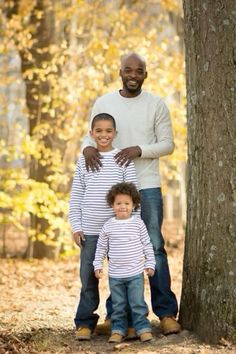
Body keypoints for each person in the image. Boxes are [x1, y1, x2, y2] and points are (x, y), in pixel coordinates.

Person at [81, 52, 181, 335]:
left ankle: (165, 313)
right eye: (128, 70)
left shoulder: (156, 104)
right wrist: (86, 148)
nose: (133, 74)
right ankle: (117, 316)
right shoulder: (104, 102)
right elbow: (92, 136)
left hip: (146, 185)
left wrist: (139, 150)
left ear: (145, 74)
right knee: (116, 246)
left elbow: (168, 144)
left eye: (139, 70)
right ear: (120, 72)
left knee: (154, 247)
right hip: (113, 189)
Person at [69, 113, 138, 340]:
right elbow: (77, 195)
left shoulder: (123, 160)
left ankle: (120, 320)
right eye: (99, 131)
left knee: (121, 277)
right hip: (90, 230)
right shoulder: (84, 160)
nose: (104, 135)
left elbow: (133, 194)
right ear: (91, 134)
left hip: (119, 231)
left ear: (115, 134)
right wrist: (76, 226)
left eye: (108, 131)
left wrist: (133, 226)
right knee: (89, 276)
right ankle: (85, 322)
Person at [93, 182, 155, 343]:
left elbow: (147, 244)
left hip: (135, 274)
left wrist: (150, 263)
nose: (122, 206)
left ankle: (142, 328)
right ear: (112, 205)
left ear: (133, 205)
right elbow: (101, 247)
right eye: (118, 203)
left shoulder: (138, 223)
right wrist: (98, 265)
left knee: (137, 304)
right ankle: (118, 330)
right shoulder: (108, 226)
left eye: (127, 203)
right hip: (115, 276)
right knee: (118, 305)